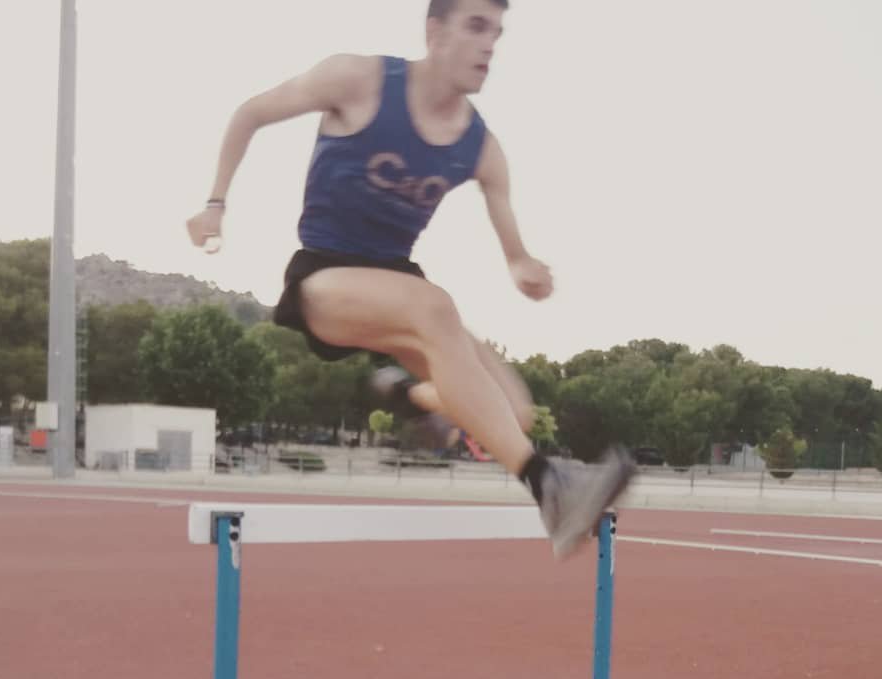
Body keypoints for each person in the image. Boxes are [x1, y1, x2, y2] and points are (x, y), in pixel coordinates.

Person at [187, 0, 634, 558]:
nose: (489, 44)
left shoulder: (482, 149)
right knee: (435, 306)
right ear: (434, 31)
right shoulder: (358, 79)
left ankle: (406, 392)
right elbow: (251, 112)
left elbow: (512, 246)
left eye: (496, 31)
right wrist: (214, 204)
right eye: (475, 26)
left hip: (400, 289)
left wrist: (523, 266)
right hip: (326, 278)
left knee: (512, 412)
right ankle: (549, 486)